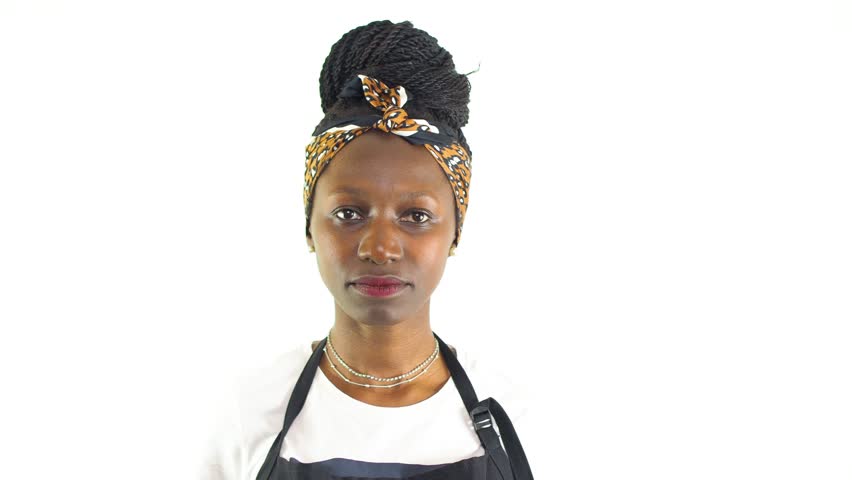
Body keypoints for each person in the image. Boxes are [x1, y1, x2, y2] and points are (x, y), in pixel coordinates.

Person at [199, 19, 535, 480]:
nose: (380, 248)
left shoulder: (517, 412)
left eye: (416, 216)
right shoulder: (248, 412)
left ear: (455, 232)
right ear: (310, 227)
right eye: (348, 214)